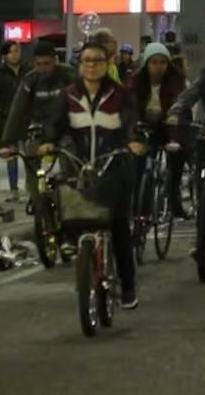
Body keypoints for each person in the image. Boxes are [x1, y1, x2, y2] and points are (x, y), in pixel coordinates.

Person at [50, 38, 145, 309]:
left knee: (118, 227)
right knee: (70, 209)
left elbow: (132, 124)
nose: (91, 66)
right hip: (80, 166)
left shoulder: (121, 94)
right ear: (80, 65)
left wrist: (134, 141)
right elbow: (55, 125)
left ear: (108, 64)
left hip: (114, 168)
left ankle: (127, 286)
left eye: (97, 61)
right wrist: (48, 140)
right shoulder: (68, 95)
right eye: (87, 61)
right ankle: (73, 248)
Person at [0, 40, 76, 200]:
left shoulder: (70, 76)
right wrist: (6, 143)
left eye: (47, 63)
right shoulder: (29, 80)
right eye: (38, 64)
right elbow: (17, 110)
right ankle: (37, 201)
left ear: (55, 60)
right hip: (38, 131)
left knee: (71, 163)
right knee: (31, 160)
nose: (43, 68)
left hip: (66, 131)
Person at [127, 43, 188, 218]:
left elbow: (180, 105)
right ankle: (139, 205)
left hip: (168, 126)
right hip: (143, 126)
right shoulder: (136, 82)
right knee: (138, 163)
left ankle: (174, 199)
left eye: (162, 62)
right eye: (154, 62)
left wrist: (175, 133)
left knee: (178, 157)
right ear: (146, 64)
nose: (158, 67)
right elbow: (130, 108)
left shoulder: (176, 80)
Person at [0, 42, 30, 201]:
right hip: (7, 121)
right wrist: (3, 110)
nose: (15, 55)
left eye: (17, 51)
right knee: (11, 156)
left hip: (27, 119)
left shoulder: (28, 72)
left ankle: (31, 187)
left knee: (29, 155)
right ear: (4, 55)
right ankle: (13, 189)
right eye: (12, 52)